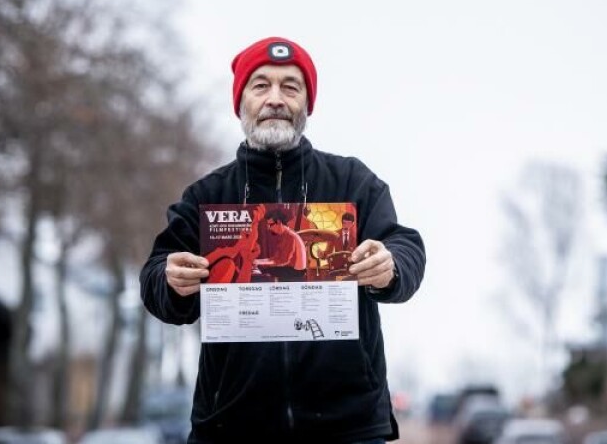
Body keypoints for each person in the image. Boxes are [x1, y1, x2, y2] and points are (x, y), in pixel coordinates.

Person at [140, 36, 426, 443]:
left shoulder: (352, 182)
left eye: (290, 87)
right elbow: (155, 279)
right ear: (241, 103)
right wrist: (169, 281)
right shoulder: (207, 196)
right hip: (231, 428)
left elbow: (406, 246)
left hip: (348, 428)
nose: (275, 98)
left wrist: (391, 265)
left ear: (307, 104)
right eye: (261, 86)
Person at [254, 207, 307, 281]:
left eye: (270, 225)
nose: (268, 228)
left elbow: (284, 261)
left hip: (296, 272)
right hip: (290, 269)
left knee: (261, 275)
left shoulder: (290, 236)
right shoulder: (284, 235)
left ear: (278, 222)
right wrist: (257, 261)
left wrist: (260, 263)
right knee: (261, 273)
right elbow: (275, 258)